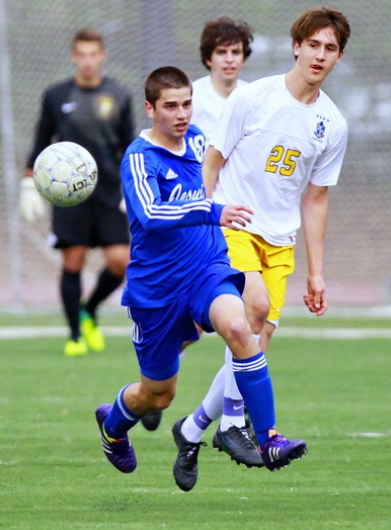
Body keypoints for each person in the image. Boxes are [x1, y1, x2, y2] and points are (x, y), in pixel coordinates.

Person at [94, 66, 306, 491]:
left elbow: (237, 169)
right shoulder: (140, 157)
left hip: (206, 270)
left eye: (187, 103)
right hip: (156, 292)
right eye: (170, 106)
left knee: (240, 327)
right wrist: (212, 211)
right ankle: (113, 426)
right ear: (150, 108)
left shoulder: (200, 143)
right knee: (157, 394)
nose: (181, 113)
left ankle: (266, 437)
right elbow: (152, 216)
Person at [175, 6, 350, 476]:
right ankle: (235, 426)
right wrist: (200, 227)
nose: (319, 54)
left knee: (254, 347)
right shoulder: (254, 98)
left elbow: (315, 200)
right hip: (233, 222)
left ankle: (192, 430)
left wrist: (316, 272)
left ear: (338, 58)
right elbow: (211, 164)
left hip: (279, 239)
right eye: (312, 44)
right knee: (251, 308)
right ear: (296, 46)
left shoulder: (332, 125)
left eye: (329, 48)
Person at [168, 17, 265, 469]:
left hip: (242, 220)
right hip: (201, 221)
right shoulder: (192, 100)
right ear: (208, 57)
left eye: (236, 52)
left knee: (247, 328)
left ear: (244, 57)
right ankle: (173, 385)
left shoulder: (255, 100)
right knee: (232, 326)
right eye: (221, 52)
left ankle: (202, 424)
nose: (229, 59)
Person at [20, 27, 135, 359]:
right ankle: (74, 335)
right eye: (81, 54)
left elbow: (129, 145)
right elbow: (42, 141)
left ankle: (90, 308)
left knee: (121, 262)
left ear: (102, 56)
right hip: (69, 194)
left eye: (93, 54)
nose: (87, 61)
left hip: (110, 190)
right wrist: (29, 182)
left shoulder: (119, 95)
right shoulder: (56, 95)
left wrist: (133, 186)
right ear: (74, 56)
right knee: (74, 260)